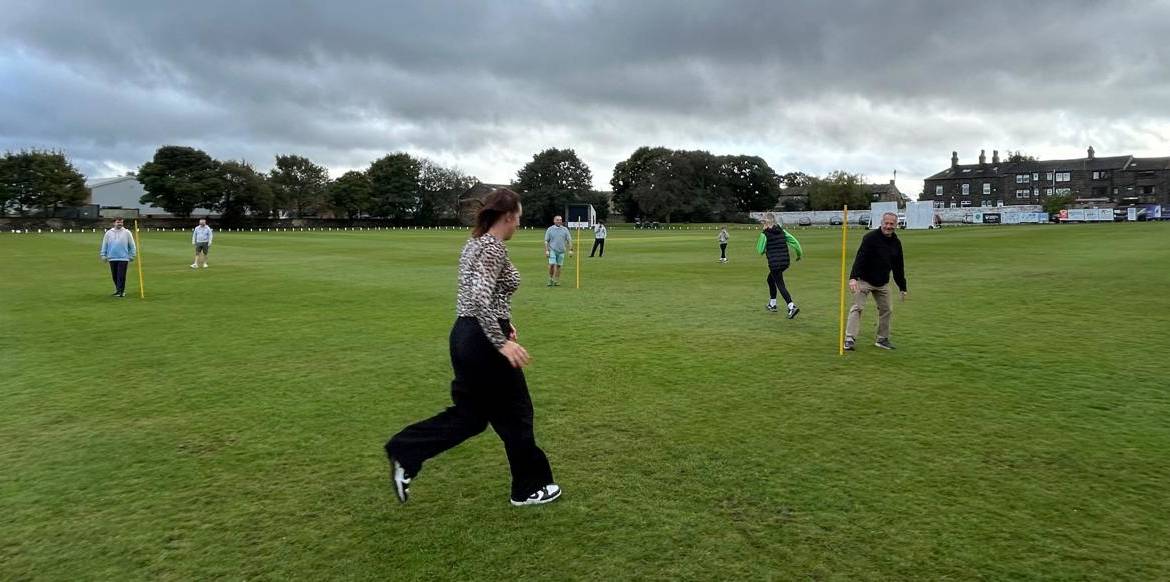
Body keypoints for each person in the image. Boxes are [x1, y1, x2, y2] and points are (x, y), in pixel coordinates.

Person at [385, 188, 561, 507]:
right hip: (484, 341)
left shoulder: (474, 243)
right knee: (517, 413)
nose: (518, 225)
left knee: (472, 416)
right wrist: (501, 342)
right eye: (518, 218)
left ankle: (405, 451)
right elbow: (480, 298)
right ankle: (529, 488)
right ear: (507, 217)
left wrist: (506, 324)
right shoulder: (492, 248)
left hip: (466, 334)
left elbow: (482, 297)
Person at [845, 212, 908, 351]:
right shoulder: (870, 238)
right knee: (857, 307)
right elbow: (860, 258)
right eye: (886, 223)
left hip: (882, 282)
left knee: (887, 310)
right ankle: (849, 338)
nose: (888, 226)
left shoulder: (896, 243)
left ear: (896, 225)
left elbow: (899, 267)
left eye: (892, 224)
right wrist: (853, 278)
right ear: (881, 222)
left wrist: (902, 287)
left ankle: (882, 339)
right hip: (864, 280)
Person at [756, 214, 802, 318]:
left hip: (775, 263)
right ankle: (772, 304)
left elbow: (760, 250)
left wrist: (763, 239)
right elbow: (795, 242)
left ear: (766, 223)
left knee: (780, 284)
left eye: (763, 223)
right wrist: (799, 254)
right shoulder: (782, 231)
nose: (762, 225)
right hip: (785, 262)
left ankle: (791, 306)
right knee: (770, 279)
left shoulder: (764, 234)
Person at [99, 217, 136, 297]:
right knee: (114, 276)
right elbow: (104, 244)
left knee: (121, 276)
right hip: (112, 257)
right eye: (118, 222)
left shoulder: (127, 232)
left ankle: (121, 292)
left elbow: (132, 245)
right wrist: (103, 255)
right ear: (114, 223)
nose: (120, 224)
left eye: (121, 222)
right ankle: (118, 290)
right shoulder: (108, 233)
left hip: (123, 257)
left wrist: (132, 255)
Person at [543, 215, 573, 286]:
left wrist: (571, 250)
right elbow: (546, 241)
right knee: (552, 264)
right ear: (554, 221)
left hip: (561, 251)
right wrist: (547, 250)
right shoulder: (550, 229)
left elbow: (569, 240)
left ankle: (556, 280)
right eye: (557, 220)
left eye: (560, 220)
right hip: (552, 250)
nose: (559, 221)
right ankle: (550, 279)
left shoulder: (565, 229)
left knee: (559, 266)